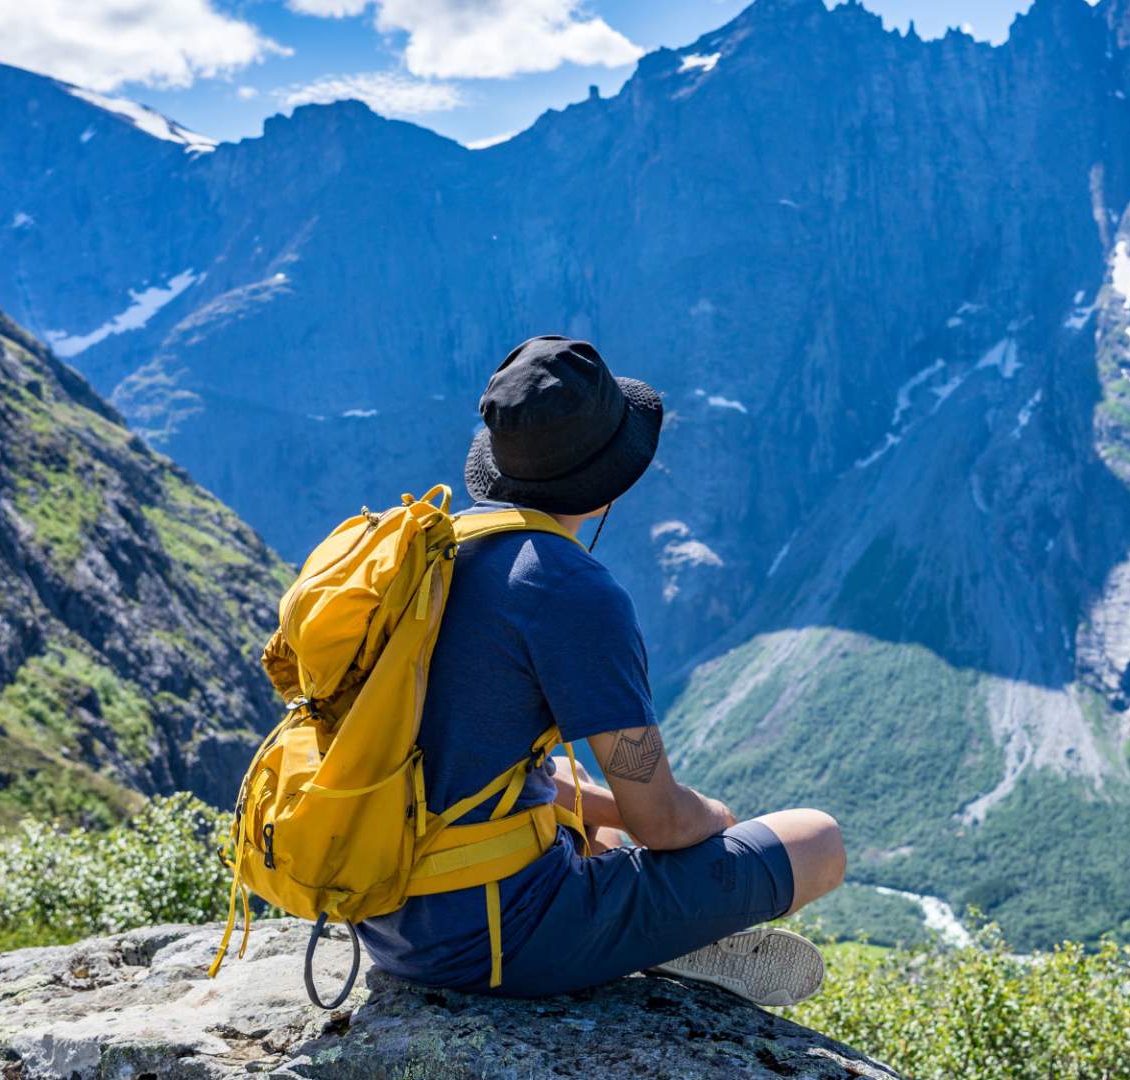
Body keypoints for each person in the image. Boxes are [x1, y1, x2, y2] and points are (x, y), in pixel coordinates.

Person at [354, 335, 845, 1004]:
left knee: (574, 781)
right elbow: (662, 823)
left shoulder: (430, 553)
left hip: (384, 918)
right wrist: (718, 822)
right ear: (607, 486)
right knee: (818, 841)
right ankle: (665, 939)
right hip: (492, 942)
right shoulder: (570, 591)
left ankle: (656, 932)